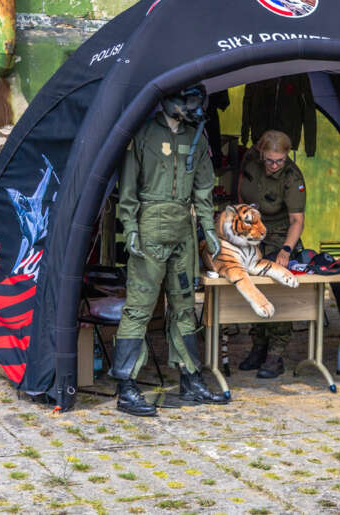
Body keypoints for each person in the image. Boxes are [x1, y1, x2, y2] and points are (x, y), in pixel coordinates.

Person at [111, 84, 228, 416]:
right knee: (139, 309)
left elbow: (204, 188)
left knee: (184, 309)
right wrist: (130, 227)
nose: (191, 107)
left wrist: (208, 227)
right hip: (149, 231)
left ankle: (191, 379)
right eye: (186, 100)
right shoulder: (143, 135)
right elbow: (128, 189)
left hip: (183, 234)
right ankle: (127, 387)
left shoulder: (197, 136)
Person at [235, 129, 306, 378]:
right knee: (253, 287)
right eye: (270, 160)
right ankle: (259, 346)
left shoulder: (292, 175)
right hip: (253, 232)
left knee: (276, 288)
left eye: (280, 160)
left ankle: (276, 355)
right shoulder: (250, 164)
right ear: (261, 153)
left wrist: (286, 249)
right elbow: (241, 195)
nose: (275, 165)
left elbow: (297, 220)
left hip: (279, 234)